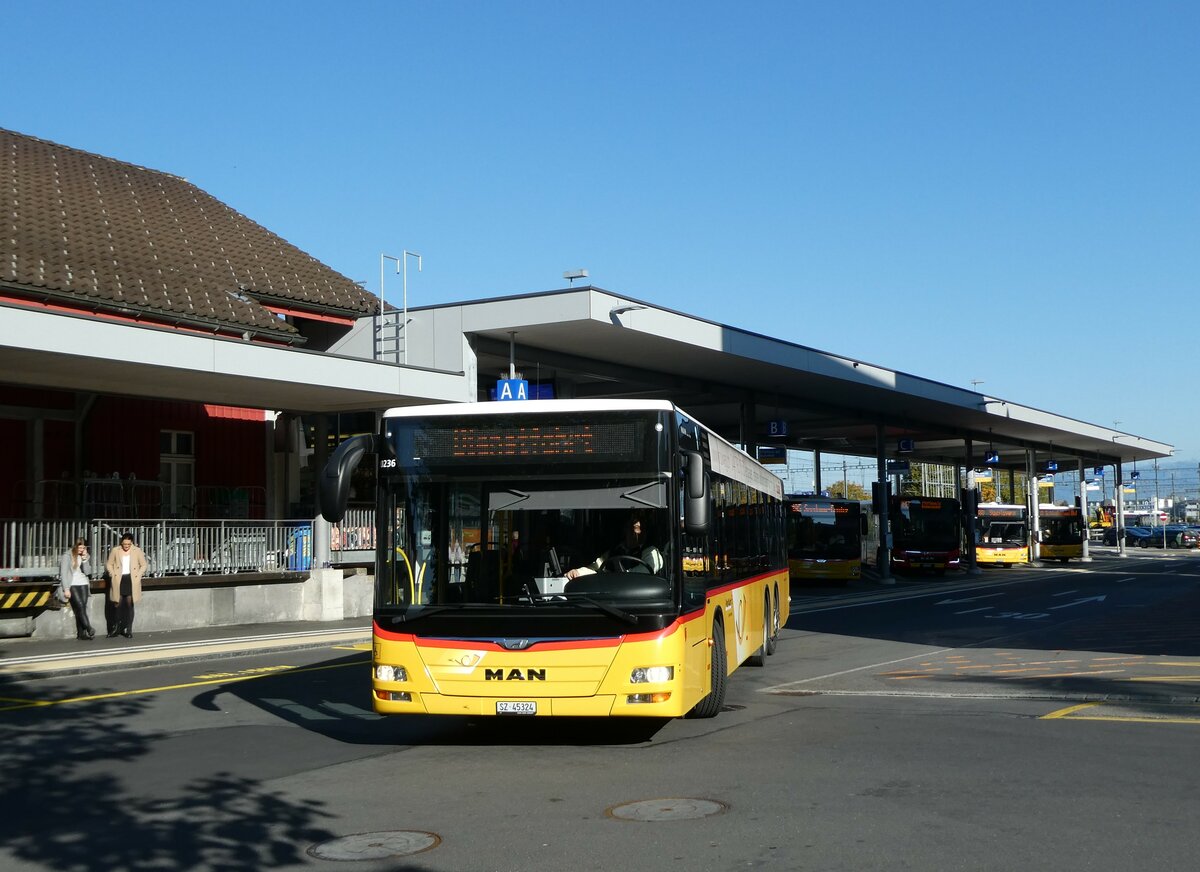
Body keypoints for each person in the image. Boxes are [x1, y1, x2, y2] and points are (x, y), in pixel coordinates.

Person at [565, 513, 664, 579]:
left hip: (639, 600)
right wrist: (577, 572)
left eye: (637, 528)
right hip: (612, 597)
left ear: (645, 532)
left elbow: (640, 574)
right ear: (625, 530)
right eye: (631, 527)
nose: (634, 532)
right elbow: (596, 567)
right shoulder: (614, 551)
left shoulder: (652, 552)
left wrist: (611, 577)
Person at [105, 532, 148, 639]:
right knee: (117, 604)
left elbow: (143, 565)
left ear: (132, 543)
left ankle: (127, 629)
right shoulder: (116, 550)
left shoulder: (137, 551)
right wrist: (112, 573)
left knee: (129, 605)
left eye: (128, 544)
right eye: (124, 544)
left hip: (131, 579)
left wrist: (138, 575)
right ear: (121, 542)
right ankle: (116, 628)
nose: (126, 546)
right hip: (119, 579)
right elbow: (109, 564)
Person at [58, 538, 95, 641]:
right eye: (80, 547)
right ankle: (89, 628)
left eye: (83, 547)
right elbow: (64, 573)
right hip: (72, 583)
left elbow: (88, 572)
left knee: (81, 607)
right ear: (75, 546)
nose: (82, 549)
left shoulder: (84, 555)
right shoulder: (67, 556)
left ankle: (81, 633)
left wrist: (85, 559)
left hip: (83, 582)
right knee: (79, 606)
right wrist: (66, 588)